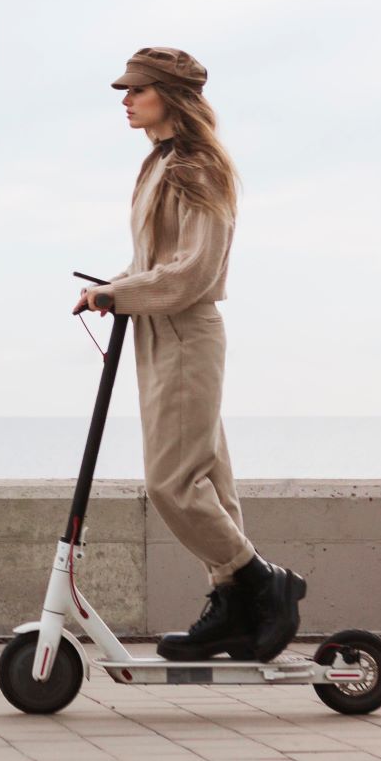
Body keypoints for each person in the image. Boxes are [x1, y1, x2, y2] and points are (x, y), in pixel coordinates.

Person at [69, 46, 306, 663]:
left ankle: (261, 583)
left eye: (136, 90)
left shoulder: (195, 168)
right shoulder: (157, 164)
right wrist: (111, 289)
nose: (125, 100)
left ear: (168, 97)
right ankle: (233, 607)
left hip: (184, 330)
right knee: (209, 480)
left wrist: (117, 294)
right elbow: (155, 266)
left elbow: (193, 272)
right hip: (160, 330)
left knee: (171, 482)